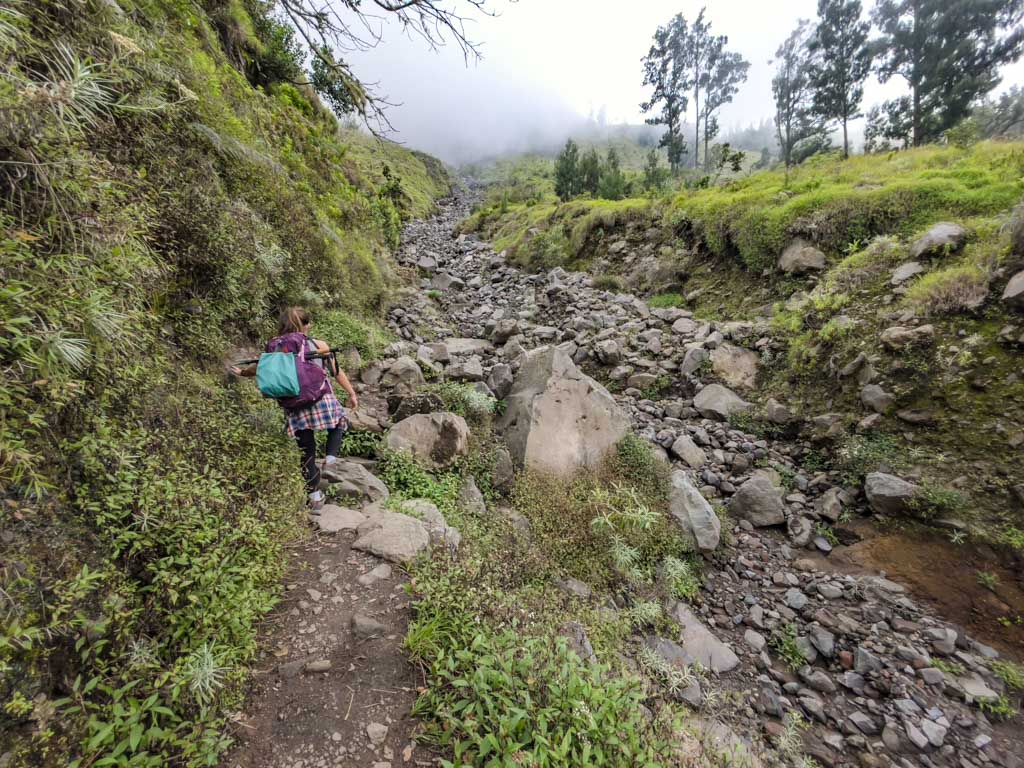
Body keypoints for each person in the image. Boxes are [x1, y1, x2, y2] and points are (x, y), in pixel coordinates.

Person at [231, 307, 359, 511]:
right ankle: (331, 459)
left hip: (294, 405)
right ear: (306, 325)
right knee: (339, 422)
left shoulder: (275, 346)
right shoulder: (318, 345)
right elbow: (335, 371)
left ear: (283, 325)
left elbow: (259, 368)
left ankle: (315, 498)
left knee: (306, 450)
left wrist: (241, 372)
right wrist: (351, 393)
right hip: (320, 398)